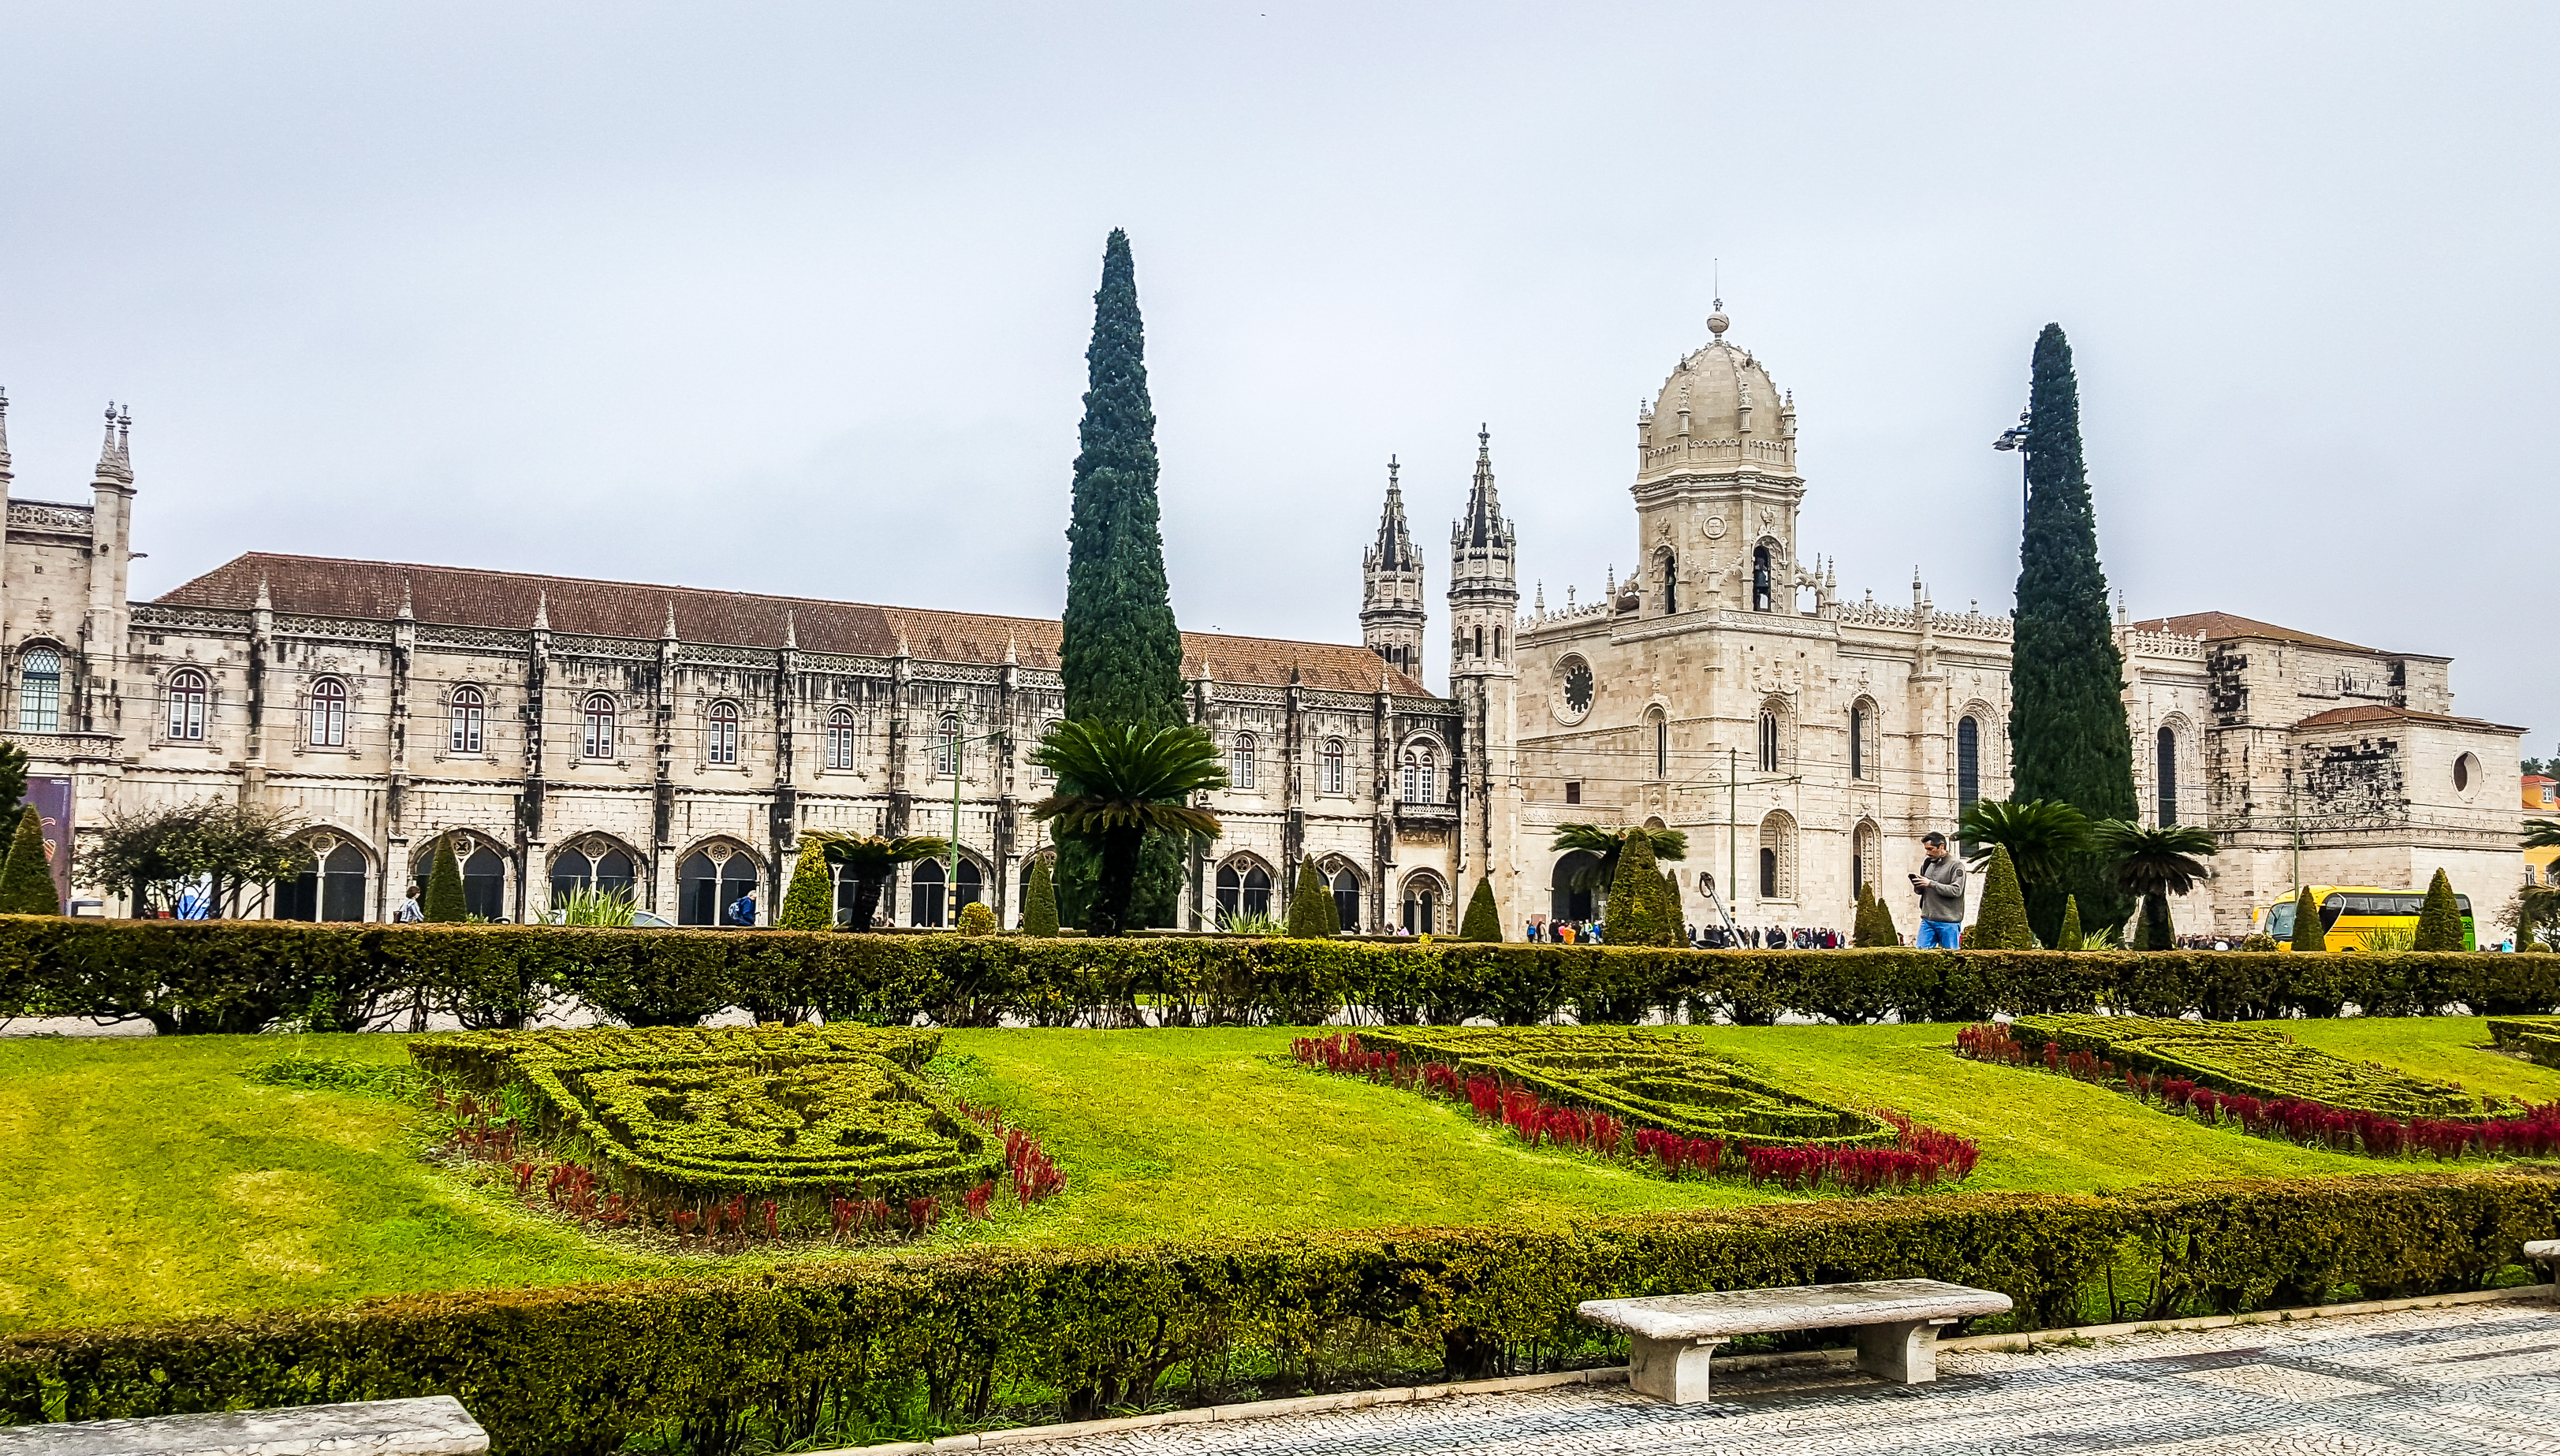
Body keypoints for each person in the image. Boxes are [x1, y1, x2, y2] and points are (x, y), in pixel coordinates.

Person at [1910, 832, 1966, 949]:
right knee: (1920, 956)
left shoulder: (1956, 866)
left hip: (1949, 922)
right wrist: (1918, 885)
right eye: (1926, 849)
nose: (1928, 852)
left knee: (1951, 958)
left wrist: (1931, 884)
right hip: (1928, 920)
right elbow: (1921, 891)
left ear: (1942, 847)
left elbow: (1956, 890)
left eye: (1931, 849)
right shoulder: (1927, 863)